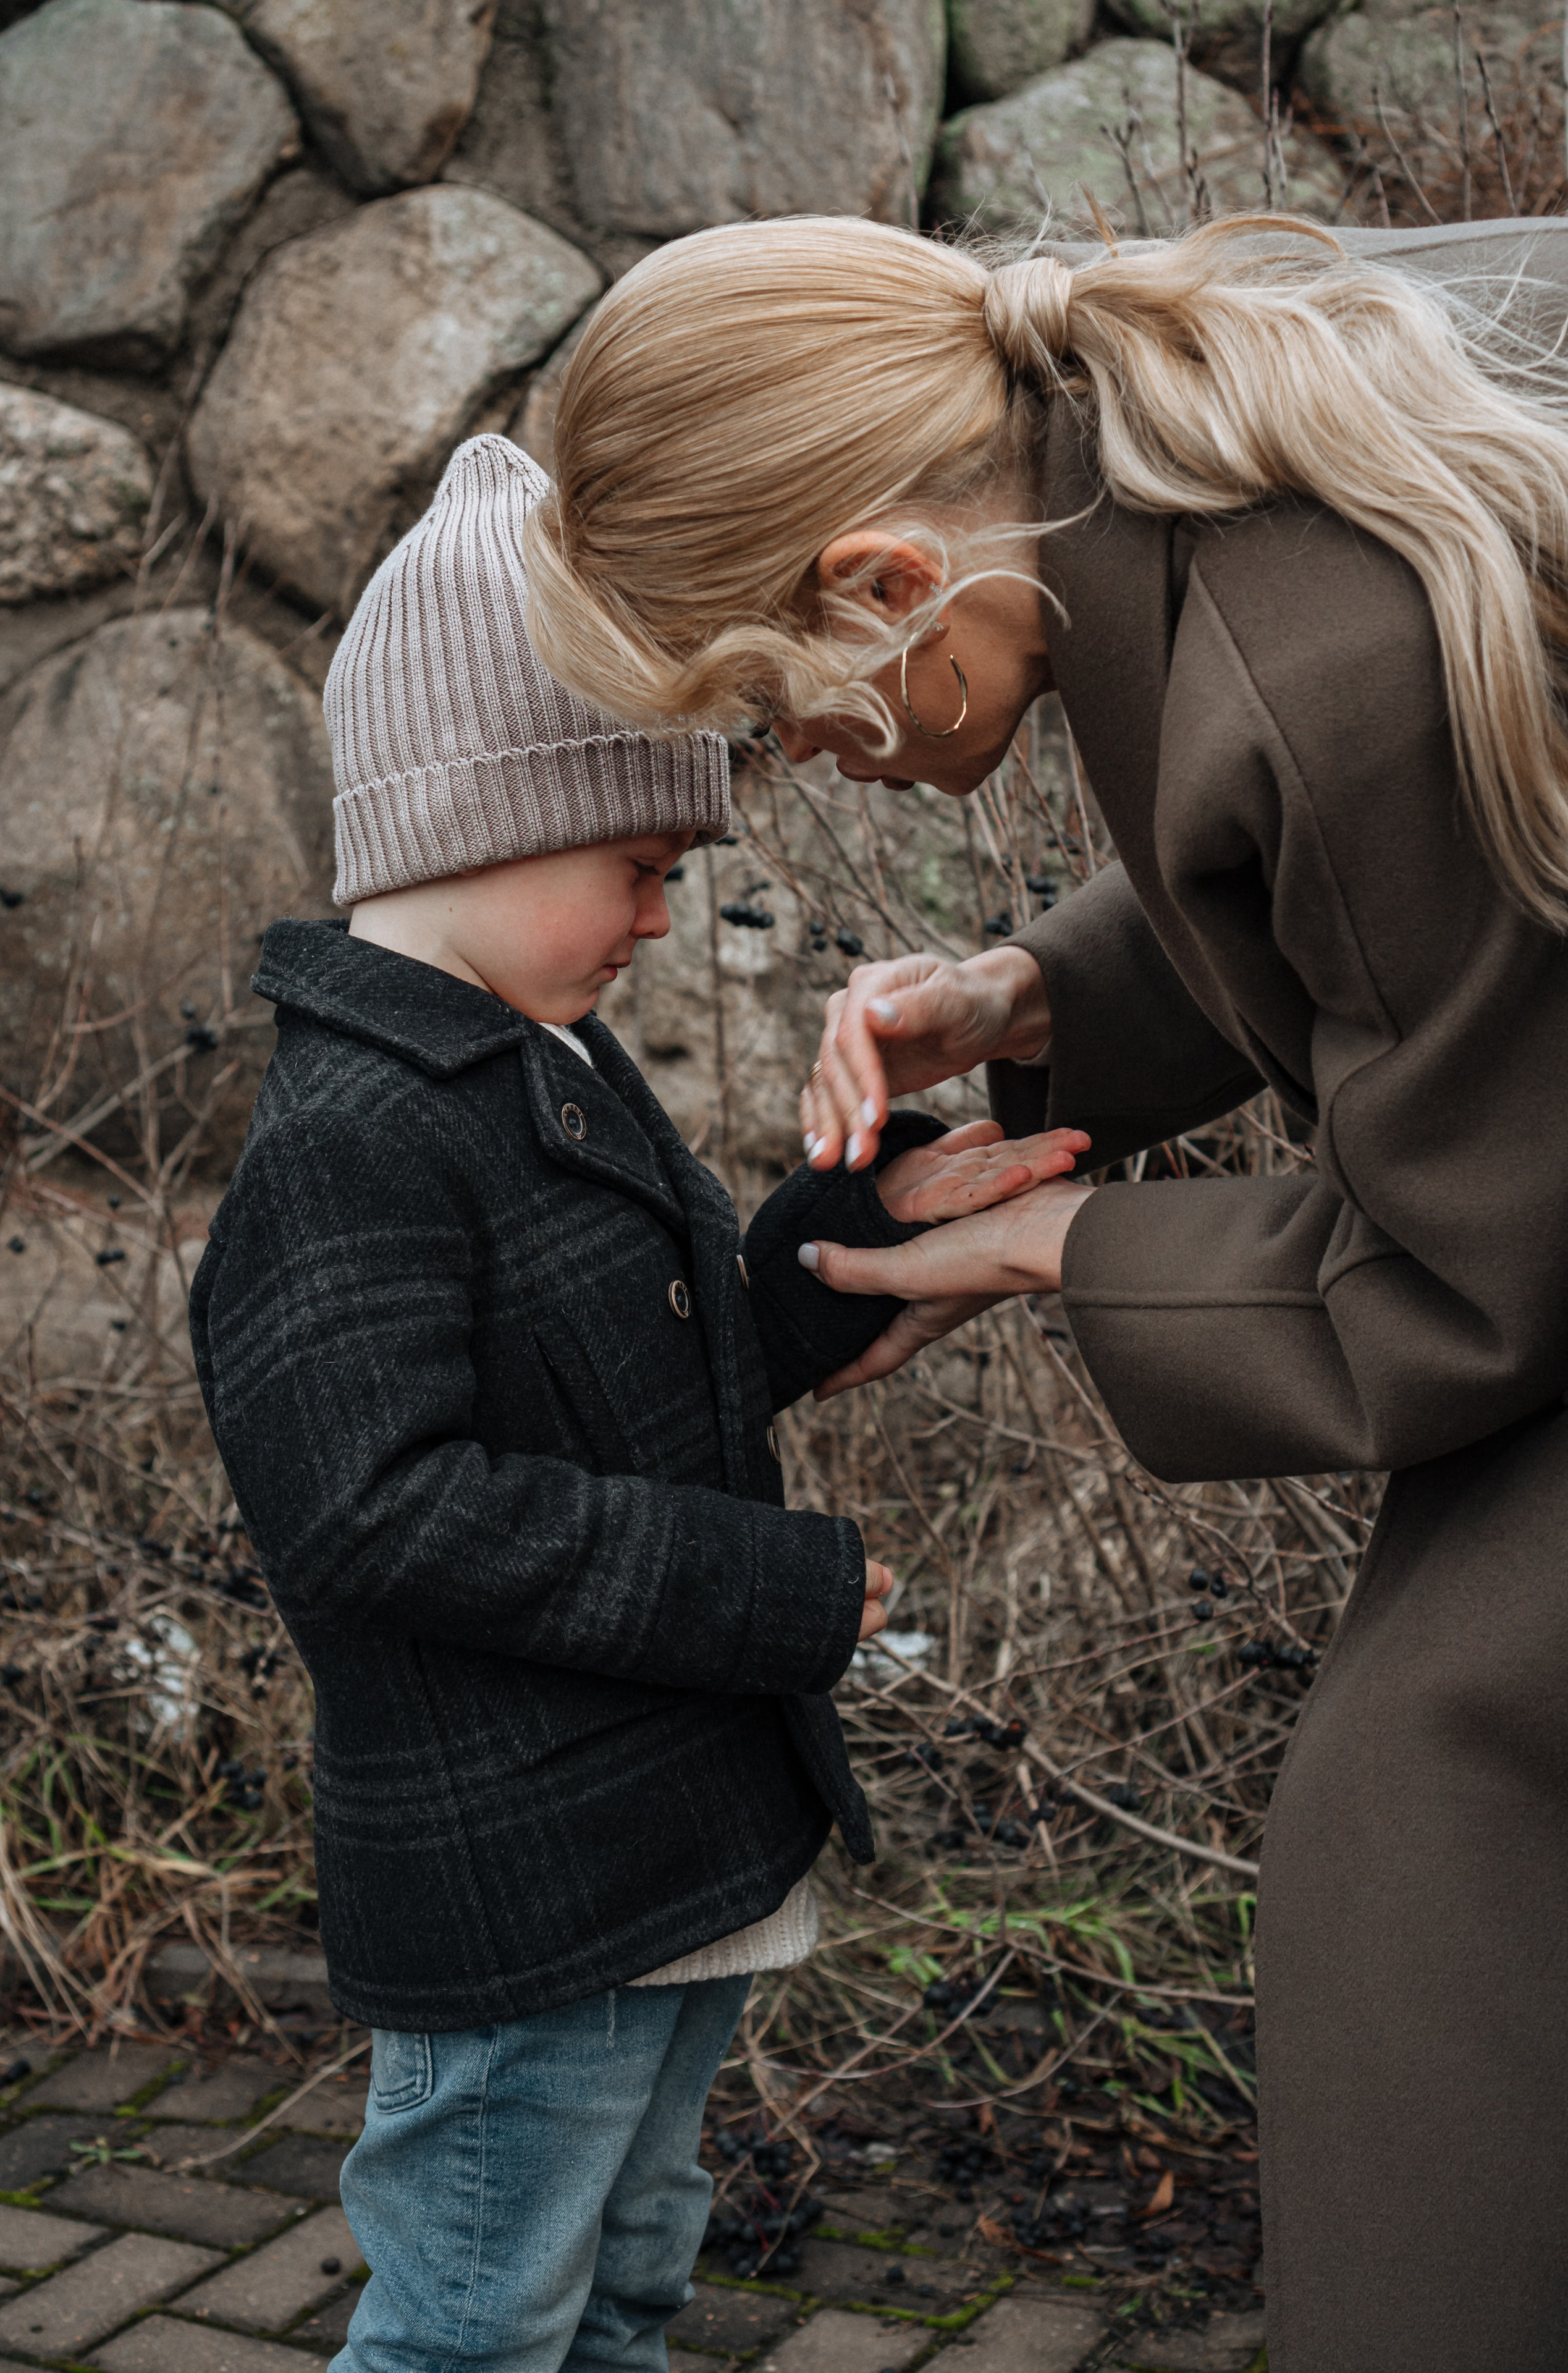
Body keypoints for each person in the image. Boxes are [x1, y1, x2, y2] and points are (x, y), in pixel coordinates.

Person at [515, 213, 1568, 2371]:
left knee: (1429, 1842)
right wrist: (1030, 994)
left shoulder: (1312, 651)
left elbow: (1469, 1288)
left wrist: (1048, 1244)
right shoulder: (1178, 500)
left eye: (765, 711)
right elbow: (1335, 892)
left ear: (888, 585)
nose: (790, 770)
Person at [189, 433, 1083, 2372]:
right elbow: (378, 1508)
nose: (665, 915)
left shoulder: (536, 1060)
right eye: (642, 864)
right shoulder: (357, 1132)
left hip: (656, 1859)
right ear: (479, 824)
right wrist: (758, 1592)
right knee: (476, 2331)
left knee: (628, 2284)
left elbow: (628, 1355)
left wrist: (837, 1245)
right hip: (536, 1893)